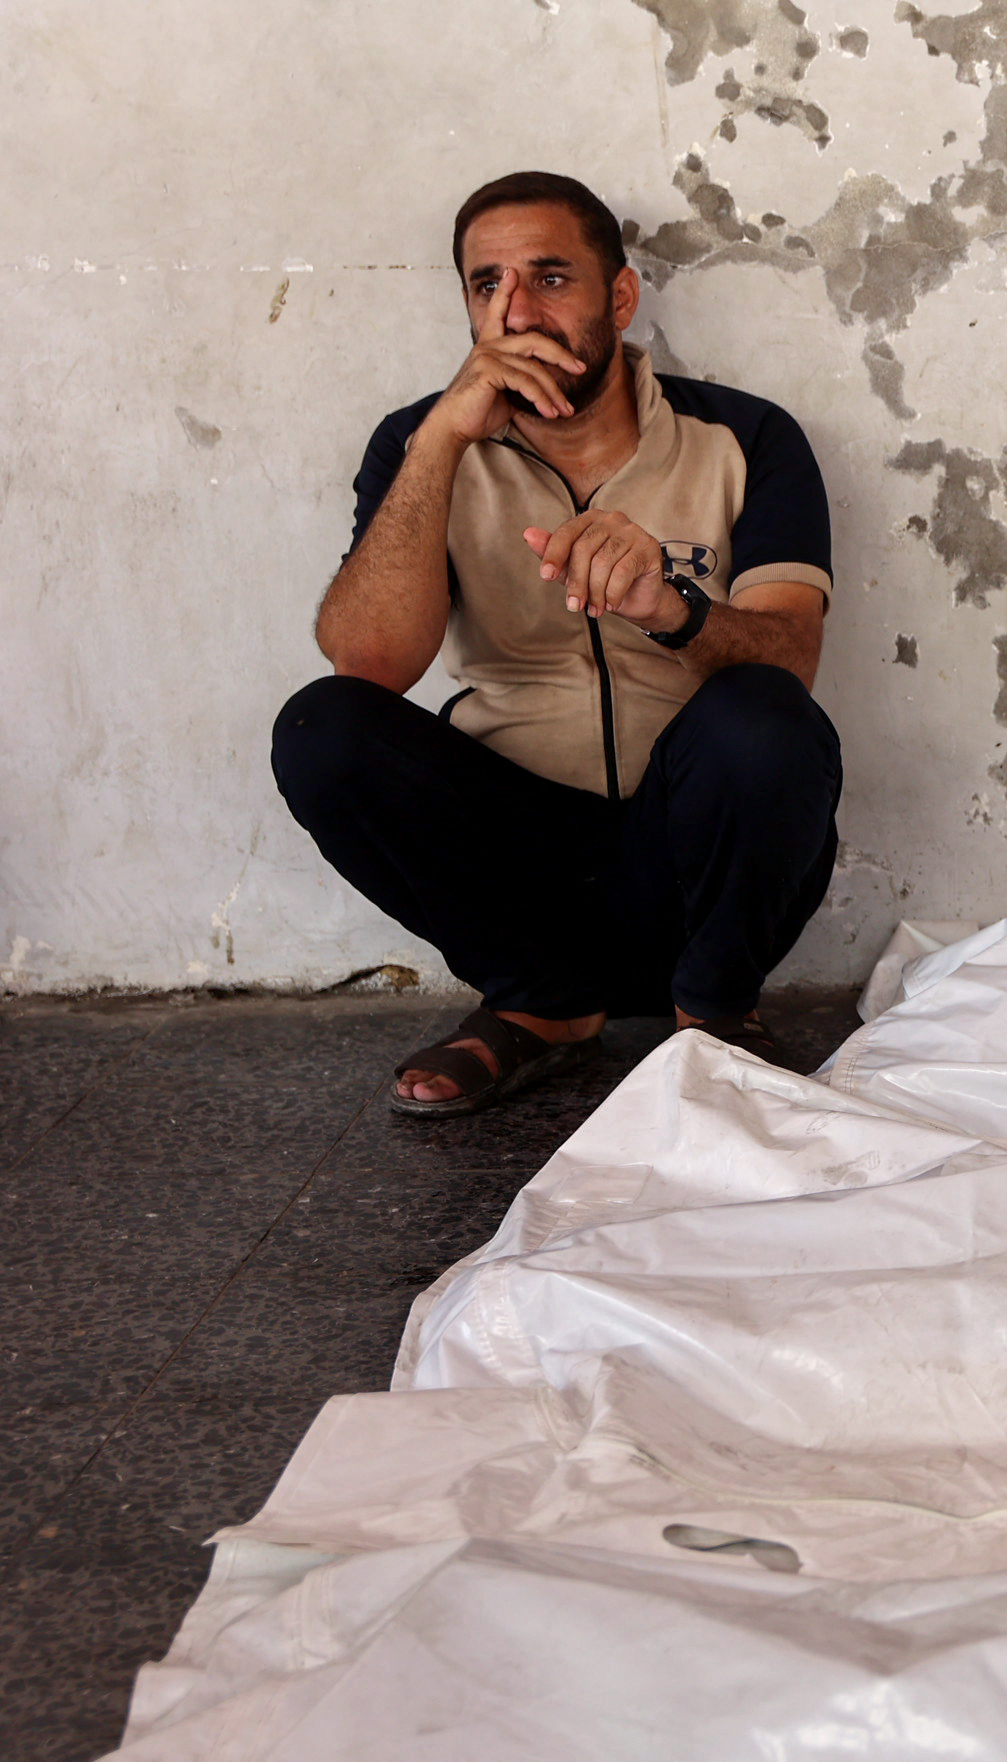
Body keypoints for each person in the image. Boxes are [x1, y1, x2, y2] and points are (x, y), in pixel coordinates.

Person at [272, 171, 843, 1116]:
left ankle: (713, 1017)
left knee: (764, 715)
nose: (515, 312)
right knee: (321, 727)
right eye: (486, 285)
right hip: (514, 864)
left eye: (548, 278)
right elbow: (368, 665)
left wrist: (672, 606)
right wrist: (443, 441)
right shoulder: (418, 443)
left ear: (619, 297)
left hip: (694, 851)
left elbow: (792, 659)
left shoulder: (744, 435)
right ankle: (539, 1007)